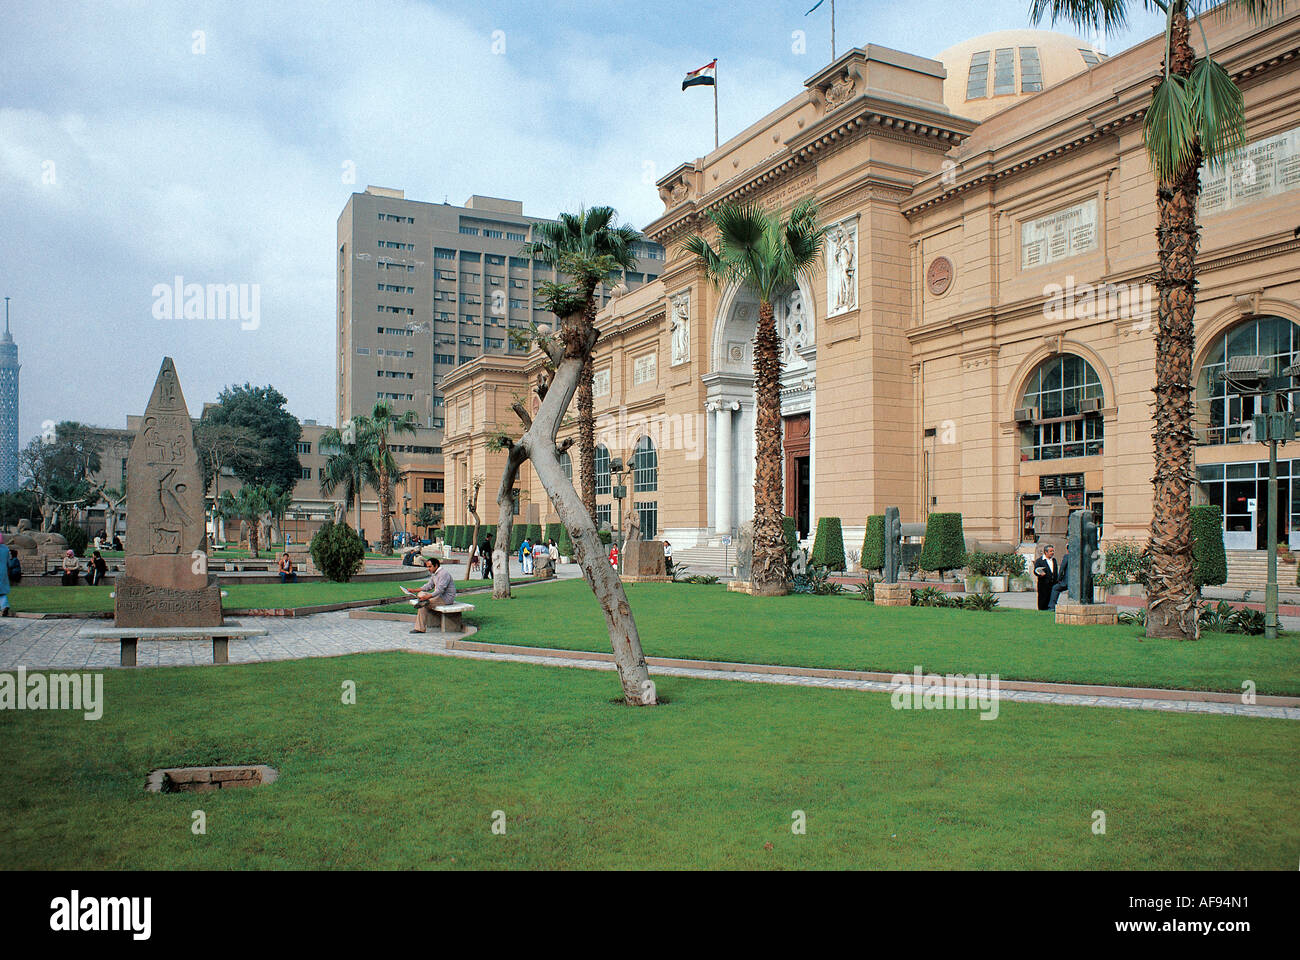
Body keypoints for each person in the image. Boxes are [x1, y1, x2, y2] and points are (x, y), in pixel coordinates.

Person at [411, 556, 455, 634]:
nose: (428, 569)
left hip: (445, 598)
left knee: (423, 604)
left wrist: (429, 596)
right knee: (421, 594)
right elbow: (429, 586)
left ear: (436, 566)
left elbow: (440, 590)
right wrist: (414, 590)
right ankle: (424, 601)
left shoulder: (444, 574)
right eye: (427, 567)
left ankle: (420, 628)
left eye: (430, 567)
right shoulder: (434, 574)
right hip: (437, 597)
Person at [1032, 544, 1060, 611]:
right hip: (1043, 584)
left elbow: (1055, 572)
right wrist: (1040, 574)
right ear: (1046, 552)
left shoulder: (1054, 560)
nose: (1052, 553)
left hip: (1053, 583)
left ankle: (1050, 608)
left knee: (1051, 597)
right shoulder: (1040, 561)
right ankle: (1042, 609)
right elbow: (1035, 571)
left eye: (1053, 551)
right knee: (1043, 598)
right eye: (1051, 551)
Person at [0, 533, 11, 617]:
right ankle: (5, 606)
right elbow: (9, 562)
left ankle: (4, 606)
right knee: (2, 592)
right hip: (3, 571)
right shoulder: (6, 549)